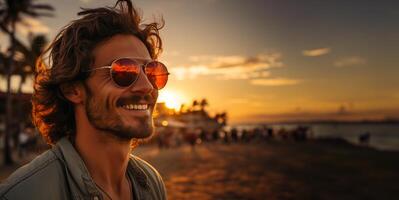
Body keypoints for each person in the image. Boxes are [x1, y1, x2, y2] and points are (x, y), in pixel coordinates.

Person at [0, 0, 168, 199]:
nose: (147, 86)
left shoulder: (151, 182)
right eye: (124, 71)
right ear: (72, 90)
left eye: (153, 72)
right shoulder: (25, 194)